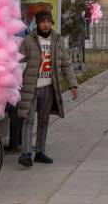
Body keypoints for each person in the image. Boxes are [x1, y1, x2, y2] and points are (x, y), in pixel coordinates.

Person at [16, 9, 78, 168]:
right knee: (28, 120)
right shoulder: (28, 41)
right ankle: (26, 154)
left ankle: (40, 151)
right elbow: (18, 62)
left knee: (44, 120)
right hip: (31, 87)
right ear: (37, 23)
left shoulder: (57, 40)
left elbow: (65, 64)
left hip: (49, 87)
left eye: (48, 21)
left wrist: (72, 85)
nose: (46, 24)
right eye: (43, 22)